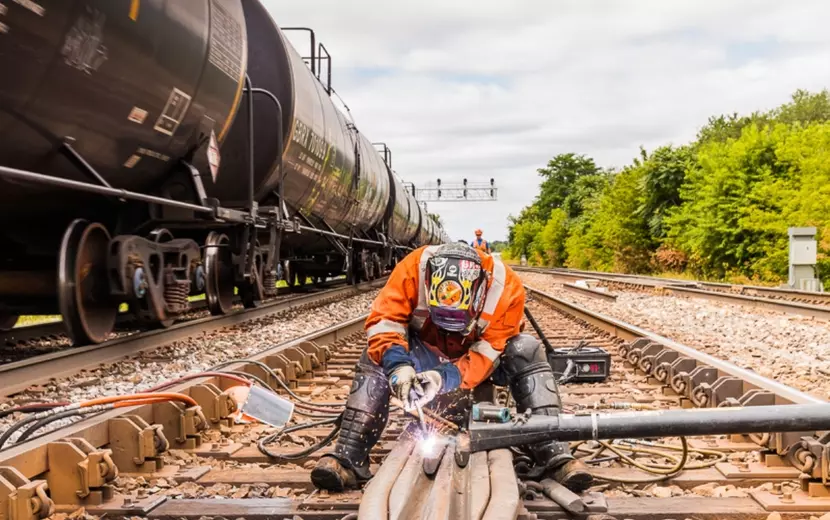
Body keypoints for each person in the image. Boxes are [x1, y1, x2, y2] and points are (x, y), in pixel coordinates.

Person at [310, 243, 592, 493]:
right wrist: (399, 367)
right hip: (424, 351)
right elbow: (385, 322)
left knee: (525, 348)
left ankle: (554, 453)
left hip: (480, 359)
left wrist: (442, 377)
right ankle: (349, 457)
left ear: (479, 292)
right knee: (375, 355)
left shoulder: (506, 288)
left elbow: (488, 352)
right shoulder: (413, 268)